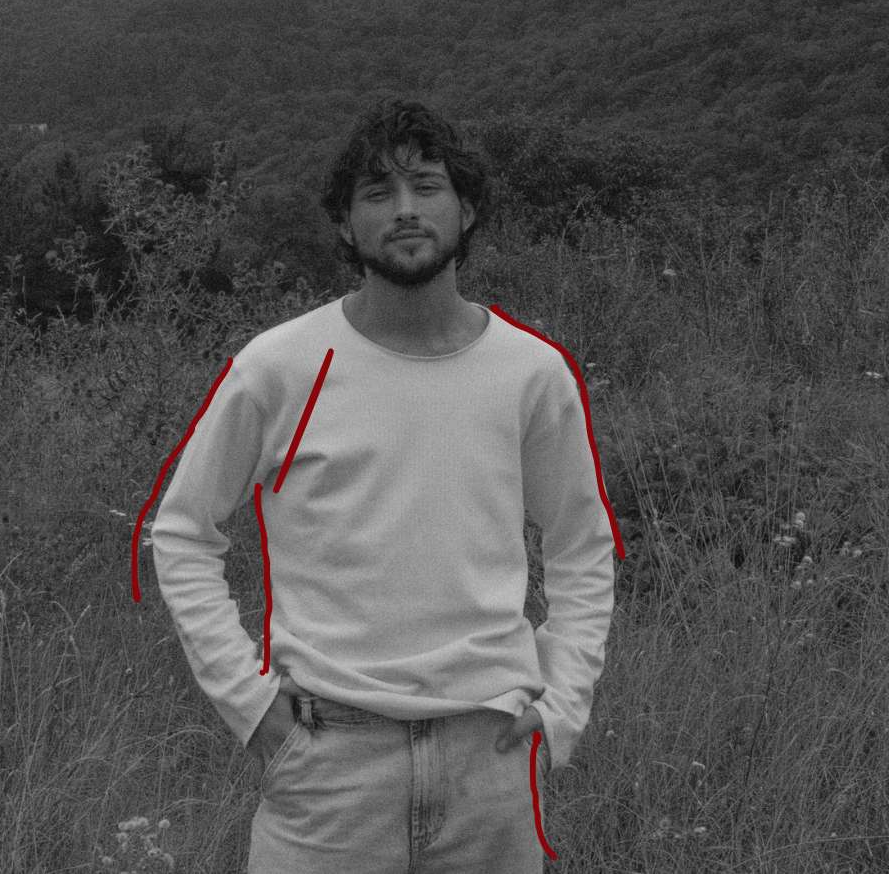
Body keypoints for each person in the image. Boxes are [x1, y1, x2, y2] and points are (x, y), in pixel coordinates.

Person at [151, 96, 617, 872]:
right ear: (344, 224)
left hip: (488, 760)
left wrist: (563, 702)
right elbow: (182, 531)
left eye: (427, 186)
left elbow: (580, 544)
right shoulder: (281, 367)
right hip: (327, 764)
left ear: (466, 210)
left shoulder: (532, 374)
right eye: (378, 193)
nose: (405, 210)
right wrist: (251, 705)